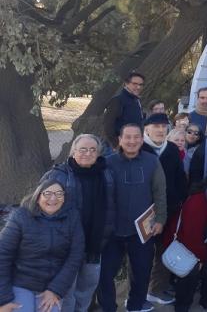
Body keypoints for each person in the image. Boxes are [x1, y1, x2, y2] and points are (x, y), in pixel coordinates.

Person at [98, 124, 167, 312]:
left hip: (142, 231)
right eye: (127, 137)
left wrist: (160, 219)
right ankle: (108, 308)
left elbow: (160, 192)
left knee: (141, 272)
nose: (132, 141)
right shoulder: (107, 162)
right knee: (104, 274)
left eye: (136, 137)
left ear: (142, 139)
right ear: (119, 140)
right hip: (113, 231)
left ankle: (135, 306)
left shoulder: (152, 161)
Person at [41, 135, 114, 312]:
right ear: (73, 151)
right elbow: (40, 206)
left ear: (98, 153)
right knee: (65, 292)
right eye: (82, 149)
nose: (87, 153)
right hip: (66, 247)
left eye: (92, 150)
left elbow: (112, 206)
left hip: (94, 246)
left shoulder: (106, 174)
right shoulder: (58, 175)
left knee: (86, 290)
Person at [0, 179, 84, 312]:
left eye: (59, 194)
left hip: (51, 286)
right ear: (38, 196)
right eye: (47, 193)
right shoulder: (21, 216)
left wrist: (55, 290)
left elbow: (75, 256)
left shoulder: (72, 219)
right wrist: (3, 300)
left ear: (64, 198)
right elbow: (2, 255)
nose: (53, 198)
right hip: (21, 284)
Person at [168, 174, 207, 312]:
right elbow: (192, 236)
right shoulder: (197, 202)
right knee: (190, 272)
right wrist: (200, 259)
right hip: (188, 243)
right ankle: (182, 305)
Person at [142, 114, 187, 306]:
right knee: (140, 254)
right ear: (146, 129)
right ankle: (137, 292)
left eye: (163, 126)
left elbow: (179, 179)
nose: (160, 130)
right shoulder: (139, 148)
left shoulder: (171, 150)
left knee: (164, 249)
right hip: (142, 211)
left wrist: (179, 201)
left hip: (168, 210)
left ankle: (155, 289)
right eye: (156, 126)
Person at [103, 71, 144, 148]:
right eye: (135, 84)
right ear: (126, 83)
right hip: (118, 147)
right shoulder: (117, 100)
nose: (138, 87)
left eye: (140, 85)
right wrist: (116, 144)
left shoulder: (136, 101)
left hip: (133, 146)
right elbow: (108, 126)